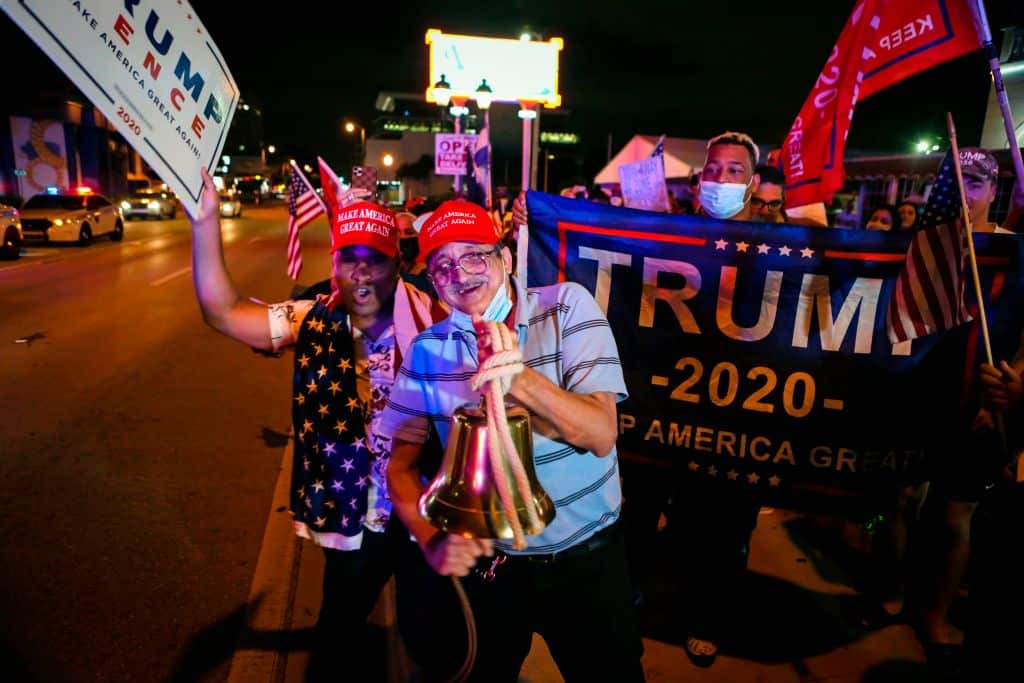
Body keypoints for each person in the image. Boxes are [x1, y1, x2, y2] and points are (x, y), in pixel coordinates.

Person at [511, 132, 767, 669]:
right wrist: (533, 223)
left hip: (732, 415)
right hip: (656, 407)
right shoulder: (658, 233)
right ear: (698, 180)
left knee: (721, 529)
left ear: (756, 182)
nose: (720, 181)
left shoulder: (778, 244)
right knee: (641, 512)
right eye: (713, 170)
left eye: (734, 171)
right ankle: (627, 595)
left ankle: (706, 618)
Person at [188, 168, 444, 681]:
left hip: (424, 509)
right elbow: (223, 312)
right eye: (350, 259)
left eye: (376, 260)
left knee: (429, 637)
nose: (362, 273)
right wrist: (205, 221)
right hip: (360, 514)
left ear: (398, 265)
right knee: (340, 632)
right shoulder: (314, 319)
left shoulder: (439, 316)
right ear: (335, 266)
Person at [381, 199, 644, 682]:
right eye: (441, 266)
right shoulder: (427, 350)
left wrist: (519, 377)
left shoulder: (566, 307)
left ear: (504, 256)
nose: (459, 274)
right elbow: (398, 465)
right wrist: (430, 537)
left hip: (586, 563)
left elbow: (602, 433)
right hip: (492, 571)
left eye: (474, 256)